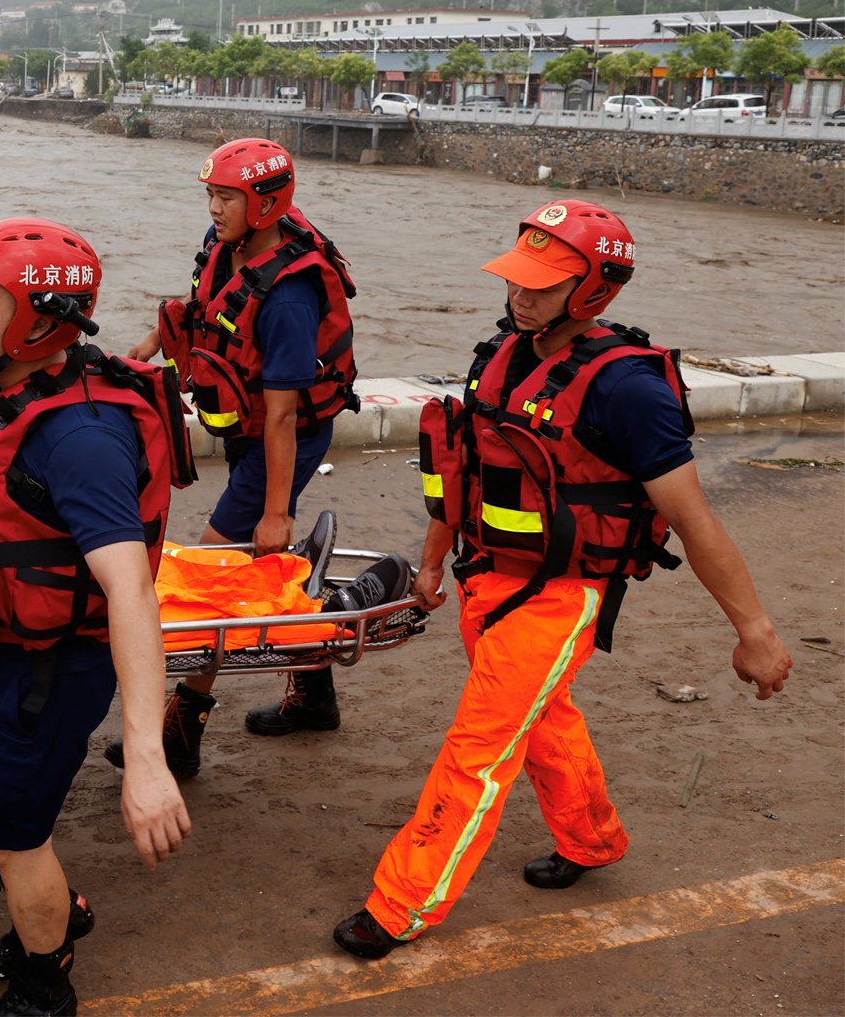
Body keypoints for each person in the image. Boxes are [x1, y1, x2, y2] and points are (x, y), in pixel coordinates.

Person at [331, 200, 795, 960]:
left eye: (542, 284)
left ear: (596, 289)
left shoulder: (630, 390)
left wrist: (756, 632)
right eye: (517, 276)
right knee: (544, 720)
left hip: (559, 595)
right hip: (486, 581)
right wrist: (433, 560)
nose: (521, 294)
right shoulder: (505, 353)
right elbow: (459, 465)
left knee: (478, 749)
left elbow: (694, 519)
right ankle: (592, 840)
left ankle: (400, 905)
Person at [0, 217, 194, 1016]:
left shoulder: (81, 436)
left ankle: (45, 980)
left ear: (37, 322)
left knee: (16, 840)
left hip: (50, 665)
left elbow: (130, 592)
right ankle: (53, 899)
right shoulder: (3, 387)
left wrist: (148, 756)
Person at [111, 137, 360, 777]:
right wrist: (134, 361)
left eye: (227, 197)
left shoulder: (290, 296)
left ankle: (182, 728)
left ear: (266, 204)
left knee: (210, 573)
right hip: (256, 430)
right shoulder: (234, 245)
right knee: (239, 563)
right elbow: (196, 311)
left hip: (291, 436)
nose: (215, 208)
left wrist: (274, 511)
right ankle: (314, 692)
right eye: (212, 196)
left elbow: (281, 412)